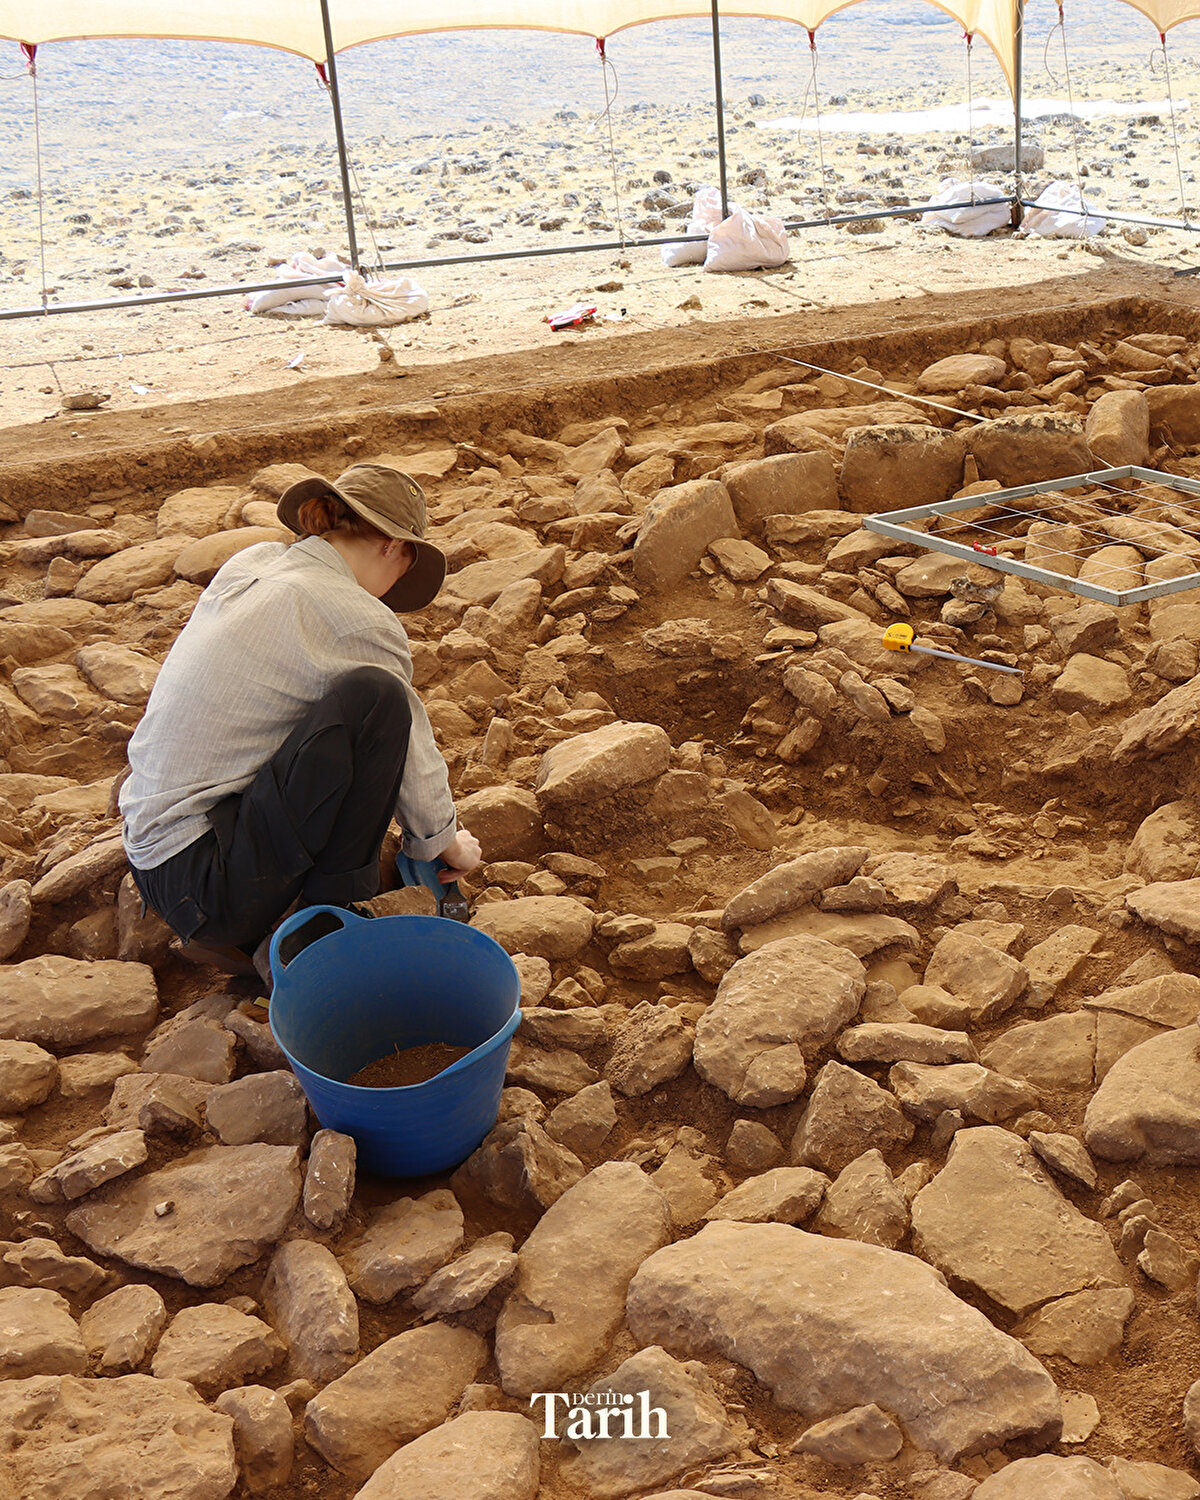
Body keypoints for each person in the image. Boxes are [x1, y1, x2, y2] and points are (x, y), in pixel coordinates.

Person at [119, 462, 482, 979]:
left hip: (154, 860)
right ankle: (319, 933)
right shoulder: (356, 615)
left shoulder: (253, 562)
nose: (390, 591)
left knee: (328, 703)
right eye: (405, 566)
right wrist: (445, 843)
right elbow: (413, 753)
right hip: (212, 886)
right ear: (391, 546)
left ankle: (257, 928)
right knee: (377, 700)